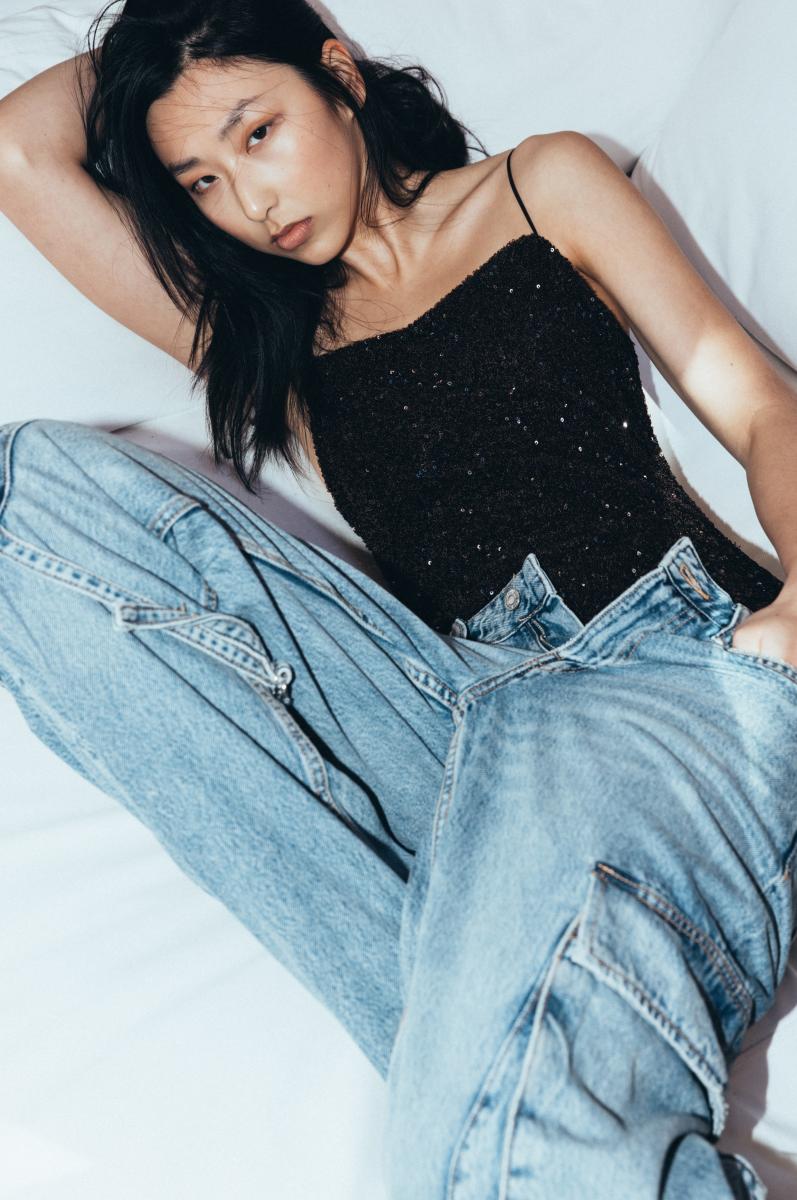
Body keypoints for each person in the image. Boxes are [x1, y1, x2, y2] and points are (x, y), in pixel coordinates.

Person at [0, 2, 795, 1196]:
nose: (249, 199)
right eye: (202, 180)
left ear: (339, 75)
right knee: (23, 495)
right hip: (460, 721)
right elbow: (19, 152)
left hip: (666, 672)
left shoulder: (536, 185)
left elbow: (758, 407)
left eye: (258, 131)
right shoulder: (265, 334)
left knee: (482, 1124)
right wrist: (164, 56)